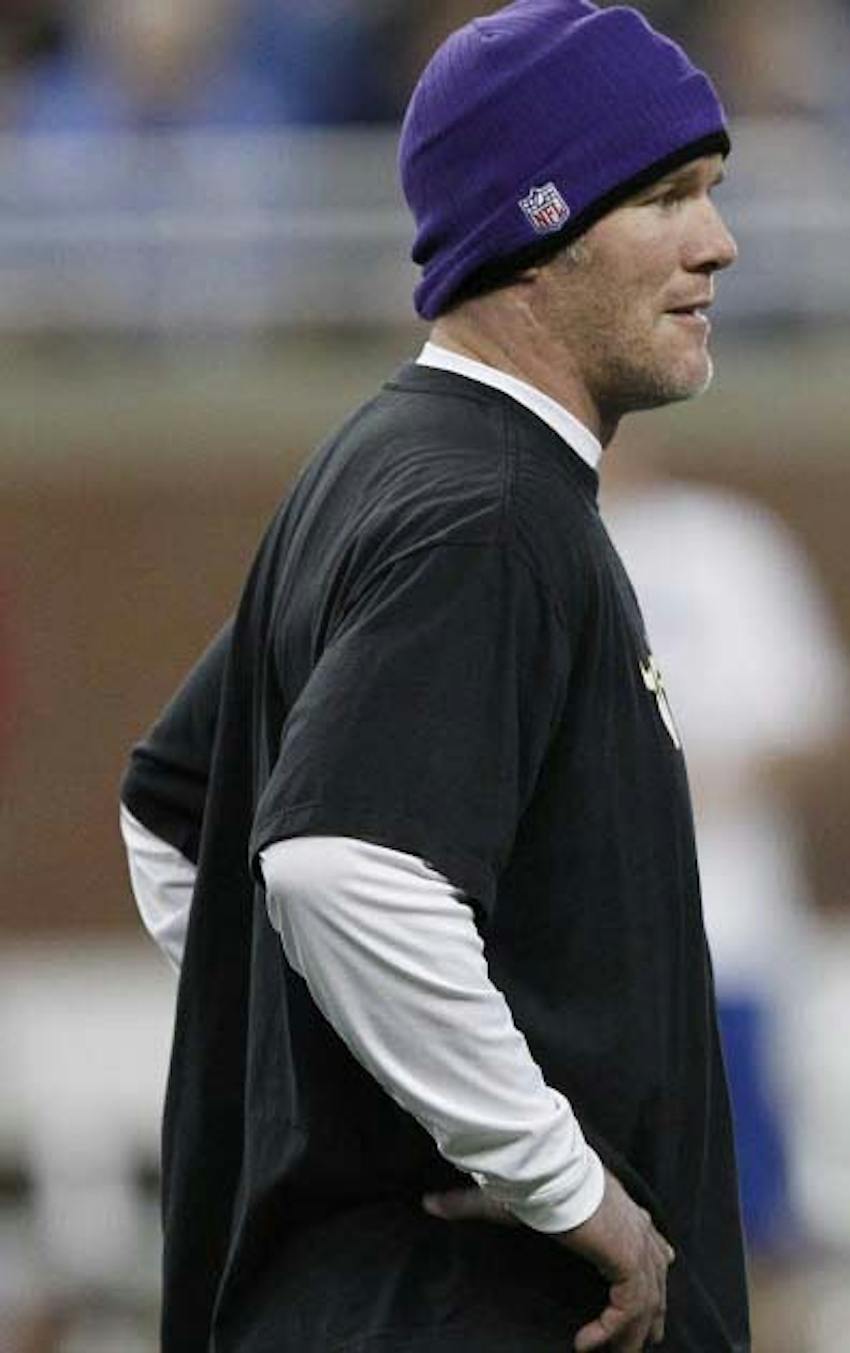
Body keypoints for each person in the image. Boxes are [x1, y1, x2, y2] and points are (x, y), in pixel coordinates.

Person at [116, 2, 748, 1348]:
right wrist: (562, 1181)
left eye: (712, 193)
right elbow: (340, 862)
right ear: (534, 227)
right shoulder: (488, 512)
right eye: (666, 197)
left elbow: (184, 812)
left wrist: (352, 1078)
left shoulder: (395, 470)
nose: (719, 242)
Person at [602, 466, 850, 1253]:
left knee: (749, 1229)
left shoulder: (723, 546)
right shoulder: (498, 535)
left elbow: (817, 720)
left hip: (723, 948)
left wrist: (694, 784)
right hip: (555, 966)